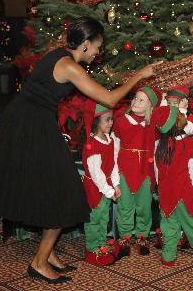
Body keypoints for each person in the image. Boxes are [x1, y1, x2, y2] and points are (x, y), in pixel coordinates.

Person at [0, 16, 161, 284]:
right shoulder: (70, 67)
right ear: (84, 44)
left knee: (58, 188)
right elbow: (108, 99)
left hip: (30, 122)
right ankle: (38, 262)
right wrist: (139, 76)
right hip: (31, 127)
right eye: (97, 46)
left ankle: (47, 255)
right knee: (63, 192)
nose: (98, 52)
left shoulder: (60, 55)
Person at [151, 106, 193, 266]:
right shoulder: (188, 144)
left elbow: (156, 170)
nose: (183, 114)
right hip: (184, 192)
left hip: (166, 193)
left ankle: (168, 255)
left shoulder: (158, 145)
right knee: (192, 222)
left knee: (168, 224)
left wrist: (160, 188)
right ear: (175, 124)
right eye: (179, 114)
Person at [111, 86, 159, 257]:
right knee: (125, 205)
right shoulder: (121, 121)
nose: (135, 101)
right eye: (135, 98)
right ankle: (124, 238)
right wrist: (114, 174)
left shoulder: (152, 125)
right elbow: (115, 147)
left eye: (141, 100)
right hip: (125, 169)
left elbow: (156, 149)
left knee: (144, 206)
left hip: (145, 170)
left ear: (150, 106)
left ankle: (142, 236)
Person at [81, 100, 120, 267]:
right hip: (94, 188)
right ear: (97, 122)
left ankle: (101, 243)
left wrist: (116, 185)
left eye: (111, 119)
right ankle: (92, 248)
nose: (111, 122)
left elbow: (113, 164)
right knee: (93, 219)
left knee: (104, 218)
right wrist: (108, 191)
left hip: (105, 187)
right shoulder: (92, 146)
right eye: (107, 120)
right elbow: (97, 174)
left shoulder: (109, 140)